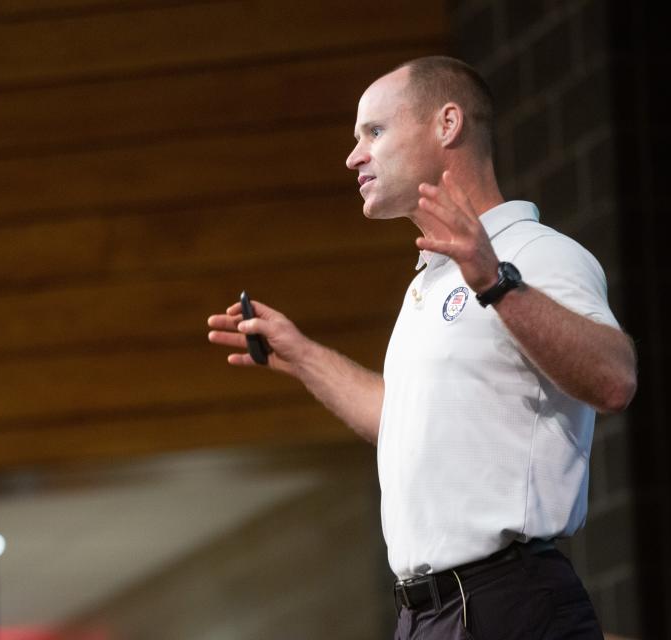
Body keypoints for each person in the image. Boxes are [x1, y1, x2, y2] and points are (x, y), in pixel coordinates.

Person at [207, 56, 637, 640]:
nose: (353, 156)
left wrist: (495, 281)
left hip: (507, 603)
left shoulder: (537, 253)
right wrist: (302, 354)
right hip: (425, 615)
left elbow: (615, 379)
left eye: (373, 132)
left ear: (448, 123)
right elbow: (401, 421)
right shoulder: (429, 282)